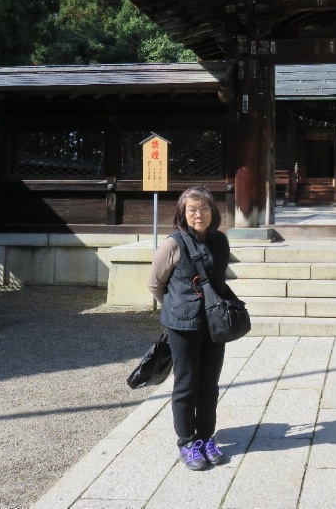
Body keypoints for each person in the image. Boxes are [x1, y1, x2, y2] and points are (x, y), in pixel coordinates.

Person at [148, 186, 231, 471]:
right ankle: (187, 442)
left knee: (209, 383)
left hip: (213, 323)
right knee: (186, 384)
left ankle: (206, 437)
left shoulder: (220, 241)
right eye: (192, 209)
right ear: (183, 214)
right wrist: (175, 307)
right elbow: (155, 284)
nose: (199, 214)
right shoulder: (172, 245)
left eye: (204, 208)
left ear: (213, 211)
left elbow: (220, 277)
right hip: (182, 326)